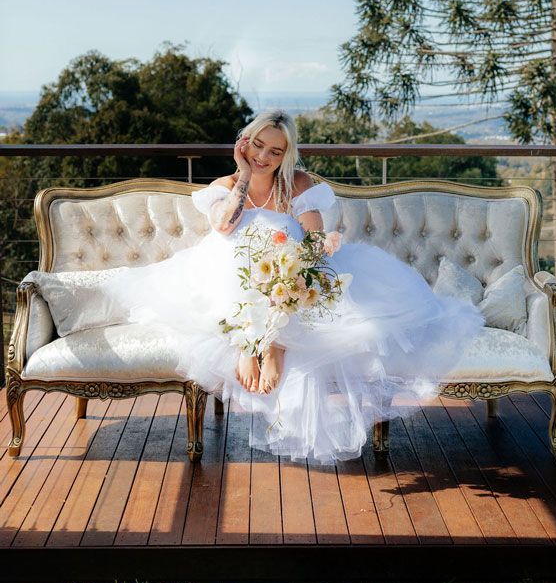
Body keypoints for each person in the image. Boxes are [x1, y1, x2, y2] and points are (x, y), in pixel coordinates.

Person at [105, 109, 485, 465]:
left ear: (286, 155)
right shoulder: (227, 184)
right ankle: (247, 344)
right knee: (236, 259)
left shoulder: (297, 184)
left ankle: (275, 342)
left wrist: (308, 254)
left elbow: (313, 237)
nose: (263, 157)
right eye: (257, 146)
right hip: (225, 274)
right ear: (245, 142)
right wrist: (242, 175)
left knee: (308, 279)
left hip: (287, 271)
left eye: (275, 151)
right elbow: (223, 225)